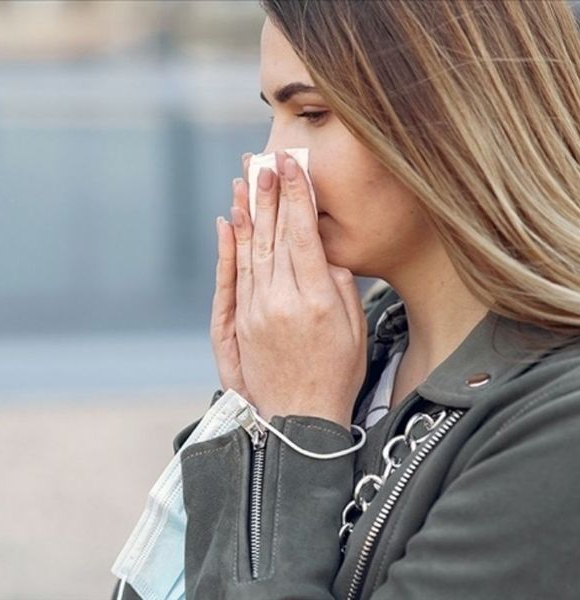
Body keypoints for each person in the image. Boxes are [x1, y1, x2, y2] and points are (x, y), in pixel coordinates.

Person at [110, 1, 580, 598]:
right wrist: (251, 412)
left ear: (459, 119)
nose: (269, 164)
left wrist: (293, 432)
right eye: (273, 114)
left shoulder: (559, 425)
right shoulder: (342, 354)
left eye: (313, 113)